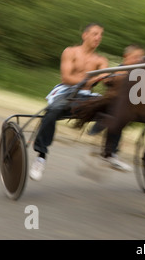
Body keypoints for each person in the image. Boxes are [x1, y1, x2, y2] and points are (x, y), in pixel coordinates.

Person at [30, 23, 113, 181]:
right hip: (66, 92)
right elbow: (67, 78)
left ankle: (108, 153)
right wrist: (90, 80)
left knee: (115, 107)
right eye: (95, 34)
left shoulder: (101, 60)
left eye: (101, 35)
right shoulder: (70, 52)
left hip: (86, 96)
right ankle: (41, 157)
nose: (98, 38)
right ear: (85, 35)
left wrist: (116, 77)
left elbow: (106, 79)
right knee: (53, 110)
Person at [89, 44, 145, 171]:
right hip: (114, 103)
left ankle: (110, 152)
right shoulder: (120, 69)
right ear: (126, 57)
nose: (138, 60)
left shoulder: (140, 73)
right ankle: (110, 153)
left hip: (131, 107)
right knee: (119, 111)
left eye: (140, 58)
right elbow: (106, 81)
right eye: (135, 57)